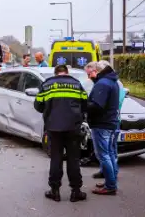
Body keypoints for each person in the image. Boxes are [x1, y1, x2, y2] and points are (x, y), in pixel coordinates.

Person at [34, 65, 88, 202]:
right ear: (67, 73)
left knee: (56, 159)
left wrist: (49, 111)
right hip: (73, 128)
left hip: (53, 128)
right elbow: (85, 104)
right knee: (73, 159)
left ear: (56, 73)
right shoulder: (77, 84)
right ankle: (76, 191)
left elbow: (38, 105)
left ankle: (55, 191)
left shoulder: (47, 85)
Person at [84, 60, 120, 195]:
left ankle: (110, 185)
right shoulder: (111, 81)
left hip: (102, 124)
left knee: (103, 155)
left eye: (90, 74)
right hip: (110, 122)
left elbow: (97, 106)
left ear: (96, 71)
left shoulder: (102, 84)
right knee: (110, 153)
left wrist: (84, 105)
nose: (89, 77)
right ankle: (111, 181)